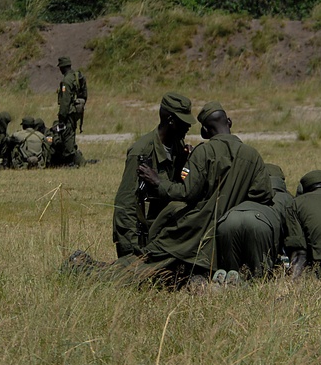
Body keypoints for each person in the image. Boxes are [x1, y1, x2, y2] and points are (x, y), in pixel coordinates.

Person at [130, 102, 274, 286]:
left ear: (205, 131)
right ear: (229, 122)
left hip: (195, 231)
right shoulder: (252, 154)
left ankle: (91, 269)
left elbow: (186, 193)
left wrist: (159, 182)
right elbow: (263, 194)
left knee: (143, 265)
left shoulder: (203, 152)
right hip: (229, 236)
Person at [111, 92, 195, 258]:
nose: (188, 126)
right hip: (145, 235)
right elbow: (125, 202)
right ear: (171, 121)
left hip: (165, 230)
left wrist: (188, 163)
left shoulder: (178, 146)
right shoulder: (141, 152)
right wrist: (131, 248)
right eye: (183, 122)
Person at [214, 163, 295, 281]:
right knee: (260, 276)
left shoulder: (244, 192)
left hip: (227, 220)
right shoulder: (287, 198)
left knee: (231, 270)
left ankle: (226, 284)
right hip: (260, 222)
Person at [56, 56, 87, 167]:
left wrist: (61, 117)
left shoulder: (66, 81)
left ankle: (72, 161)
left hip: (69, 112)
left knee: (67, 136)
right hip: (77, 110)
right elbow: (84, 94)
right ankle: (77, 160)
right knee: (71, 134)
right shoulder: (78, 76)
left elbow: (65, 102)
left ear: (62, 67)